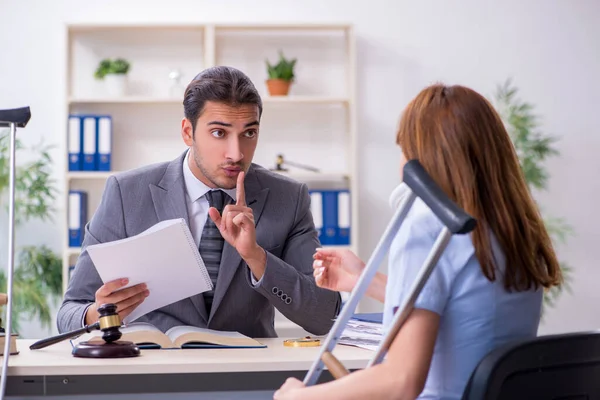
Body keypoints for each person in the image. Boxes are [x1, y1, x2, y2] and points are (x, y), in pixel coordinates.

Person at [273, 83, 563, 400]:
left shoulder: (427, 227)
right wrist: (362, 279)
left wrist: (296, 397)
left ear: (422, 159)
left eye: (403, 150)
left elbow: (402, 381)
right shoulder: (512, 230)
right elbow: (461, 309)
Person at [57, 66, 341, 338]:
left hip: (245, 373)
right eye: (219, 133)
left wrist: (256, 257)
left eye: (249, 133)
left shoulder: (287, 199)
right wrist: (99, 313)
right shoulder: (126, 193)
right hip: (152, 372)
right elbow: (68, 314)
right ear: (187, 132)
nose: (236, 153)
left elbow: (323, 317)